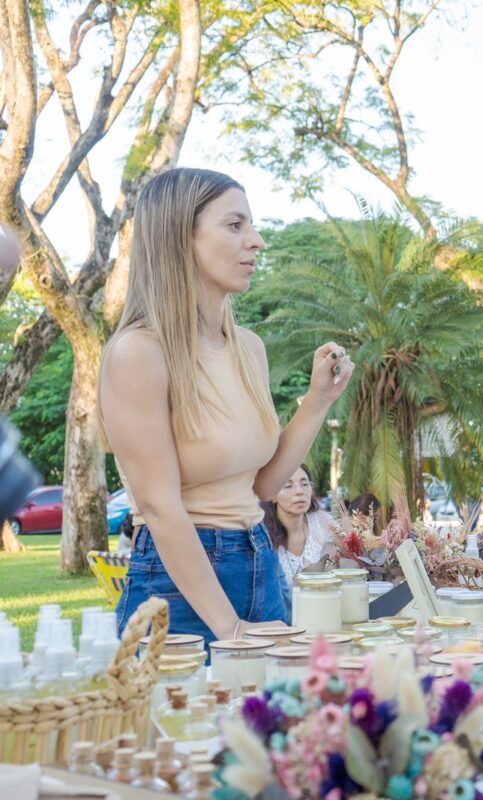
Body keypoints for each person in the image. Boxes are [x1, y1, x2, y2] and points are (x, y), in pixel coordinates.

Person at [101, 167, 355, 645]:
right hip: (178, 585)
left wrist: (319, 401)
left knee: (270, 717)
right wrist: (229, 628)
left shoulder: (249, 347)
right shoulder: (139, 352)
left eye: (252, 225)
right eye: (235, 225)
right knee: (189, 719)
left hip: (259, 558)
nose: (256, 241)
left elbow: (262, 485)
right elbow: (159, 507)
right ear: (181, 238)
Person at [262, 464, 339, 588]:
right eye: (288, 486)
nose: (299, 491)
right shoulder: (261, 535)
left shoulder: (323, 522)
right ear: (272, 495)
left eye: (304, 484)